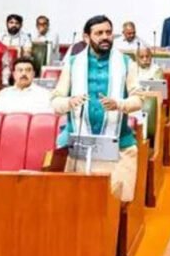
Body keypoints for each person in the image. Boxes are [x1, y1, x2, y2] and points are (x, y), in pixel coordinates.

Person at [51, 15, 143, 203]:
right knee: (76, 205)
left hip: (118, 145)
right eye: (99, 33)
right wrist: (69, 102)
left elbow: (138, 99)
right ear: (86, 37)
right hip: (77, 145)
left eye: (108, 32)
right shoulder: (73, 63)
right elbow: (55, 102)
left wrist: (119, 104)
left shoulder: (126, 63)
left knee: (114, 205)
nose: (105, 37)